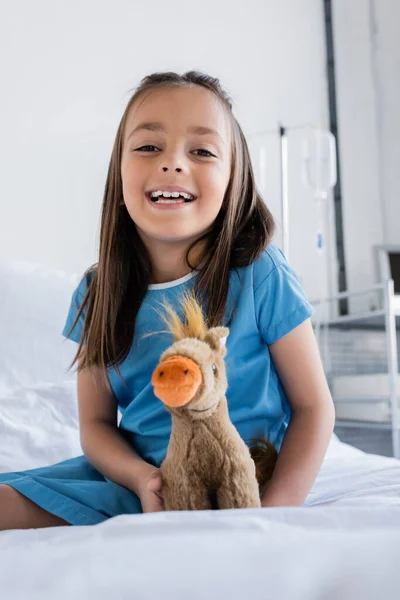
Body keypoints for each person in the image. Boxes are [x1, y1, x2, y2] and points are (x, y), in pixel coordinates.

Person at [0, 70, 335, 530]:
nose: (174, 163)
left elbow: (314, 408)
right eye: (148, 147)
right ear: (119, 171)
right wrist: (141, 479)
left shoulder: (261, 274)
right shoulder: (98, 292)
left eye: (201, 151)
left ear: (233, 179)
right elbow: (96, 427)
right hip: (138, 484)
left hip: (241, 485)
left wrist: (273, 515)